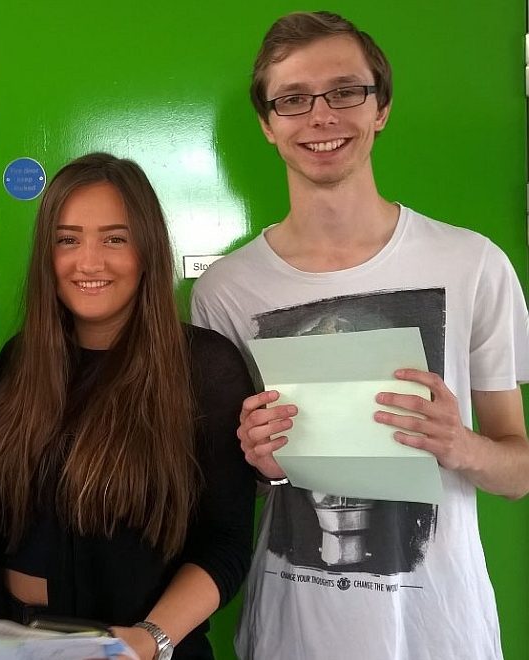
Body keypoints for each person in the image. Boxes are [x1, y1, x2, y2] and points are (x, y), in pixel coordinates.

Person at [190, 11, 529, 660]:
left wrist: (460, 446)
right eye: (292, 99)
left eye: (346, 91)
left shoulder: (473, 264)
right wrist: (261, 467)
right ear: (267, 123)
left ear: (382, 107)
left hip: (443, 635)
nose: (321, 116)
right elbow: (235, 489)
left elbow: (518, 471)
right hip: (291, 634)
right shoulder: (227, 290)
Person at [0, 152, 256, 659]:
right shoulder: (21, 359)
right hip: (15, 646)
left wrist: (151, 639)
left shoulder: (204, 367)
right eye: (67, 239)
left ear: (146, 250)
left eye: (114, 238)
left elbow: (227, 542)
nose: (89, 262)